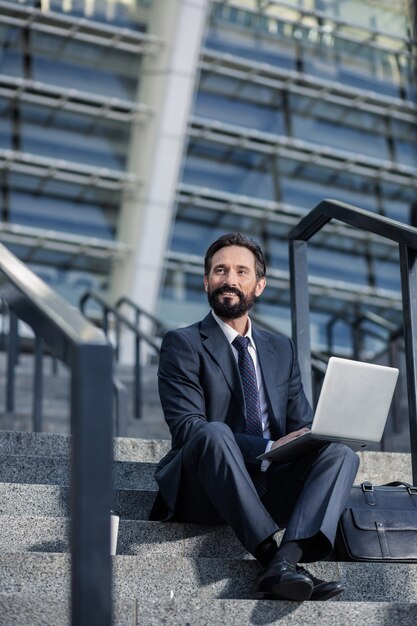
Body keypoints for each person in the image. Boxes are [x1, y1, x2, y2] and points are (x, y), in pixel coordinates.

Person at [150, 232, 359, 601]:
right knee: (212, 432)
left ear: (258, 285)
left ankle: (285, 561)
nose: (229, 279)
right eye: (220, 270)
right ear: (206, 281)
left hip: (268, 485)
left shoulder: (280, 349)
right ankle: (269, 559)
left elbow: (300, 426)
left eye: (241, 271)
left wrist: (318, 434)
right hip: (205, 485)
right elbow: (187, 428)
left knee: (340, 453)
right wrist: (267, 446)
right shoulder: (181, 343)